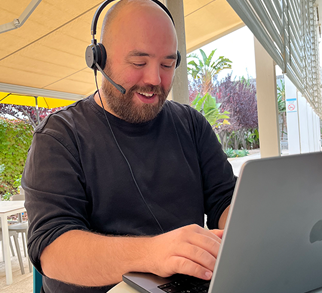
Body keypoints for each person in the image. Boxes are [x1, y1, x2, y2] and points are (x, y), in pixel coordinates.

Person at [22, 0, 237, 292]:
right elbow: (53, 249)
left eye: (167, 64)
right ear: (100, 59)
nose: (154, 80)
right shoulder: (59, 136)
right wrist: (154, 253)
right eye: (139, 63)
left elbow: (225, 200)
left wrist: (249, 221)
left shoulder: (191, 124)